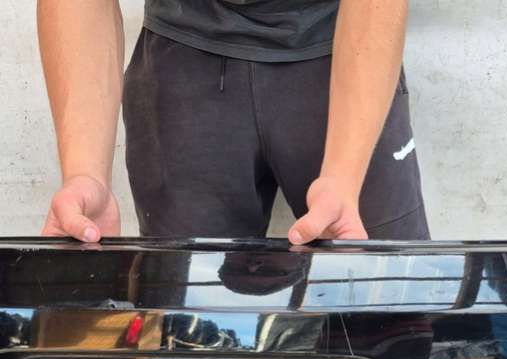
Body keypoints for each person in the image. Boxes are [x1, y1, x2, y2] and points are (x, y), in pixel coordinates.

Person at [37, 0, 429, 245]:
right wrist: (85, 173)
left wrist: (345, 174)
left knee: (388, 305)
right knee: (191, 324)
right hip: (185, 57)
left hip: (343, 48)